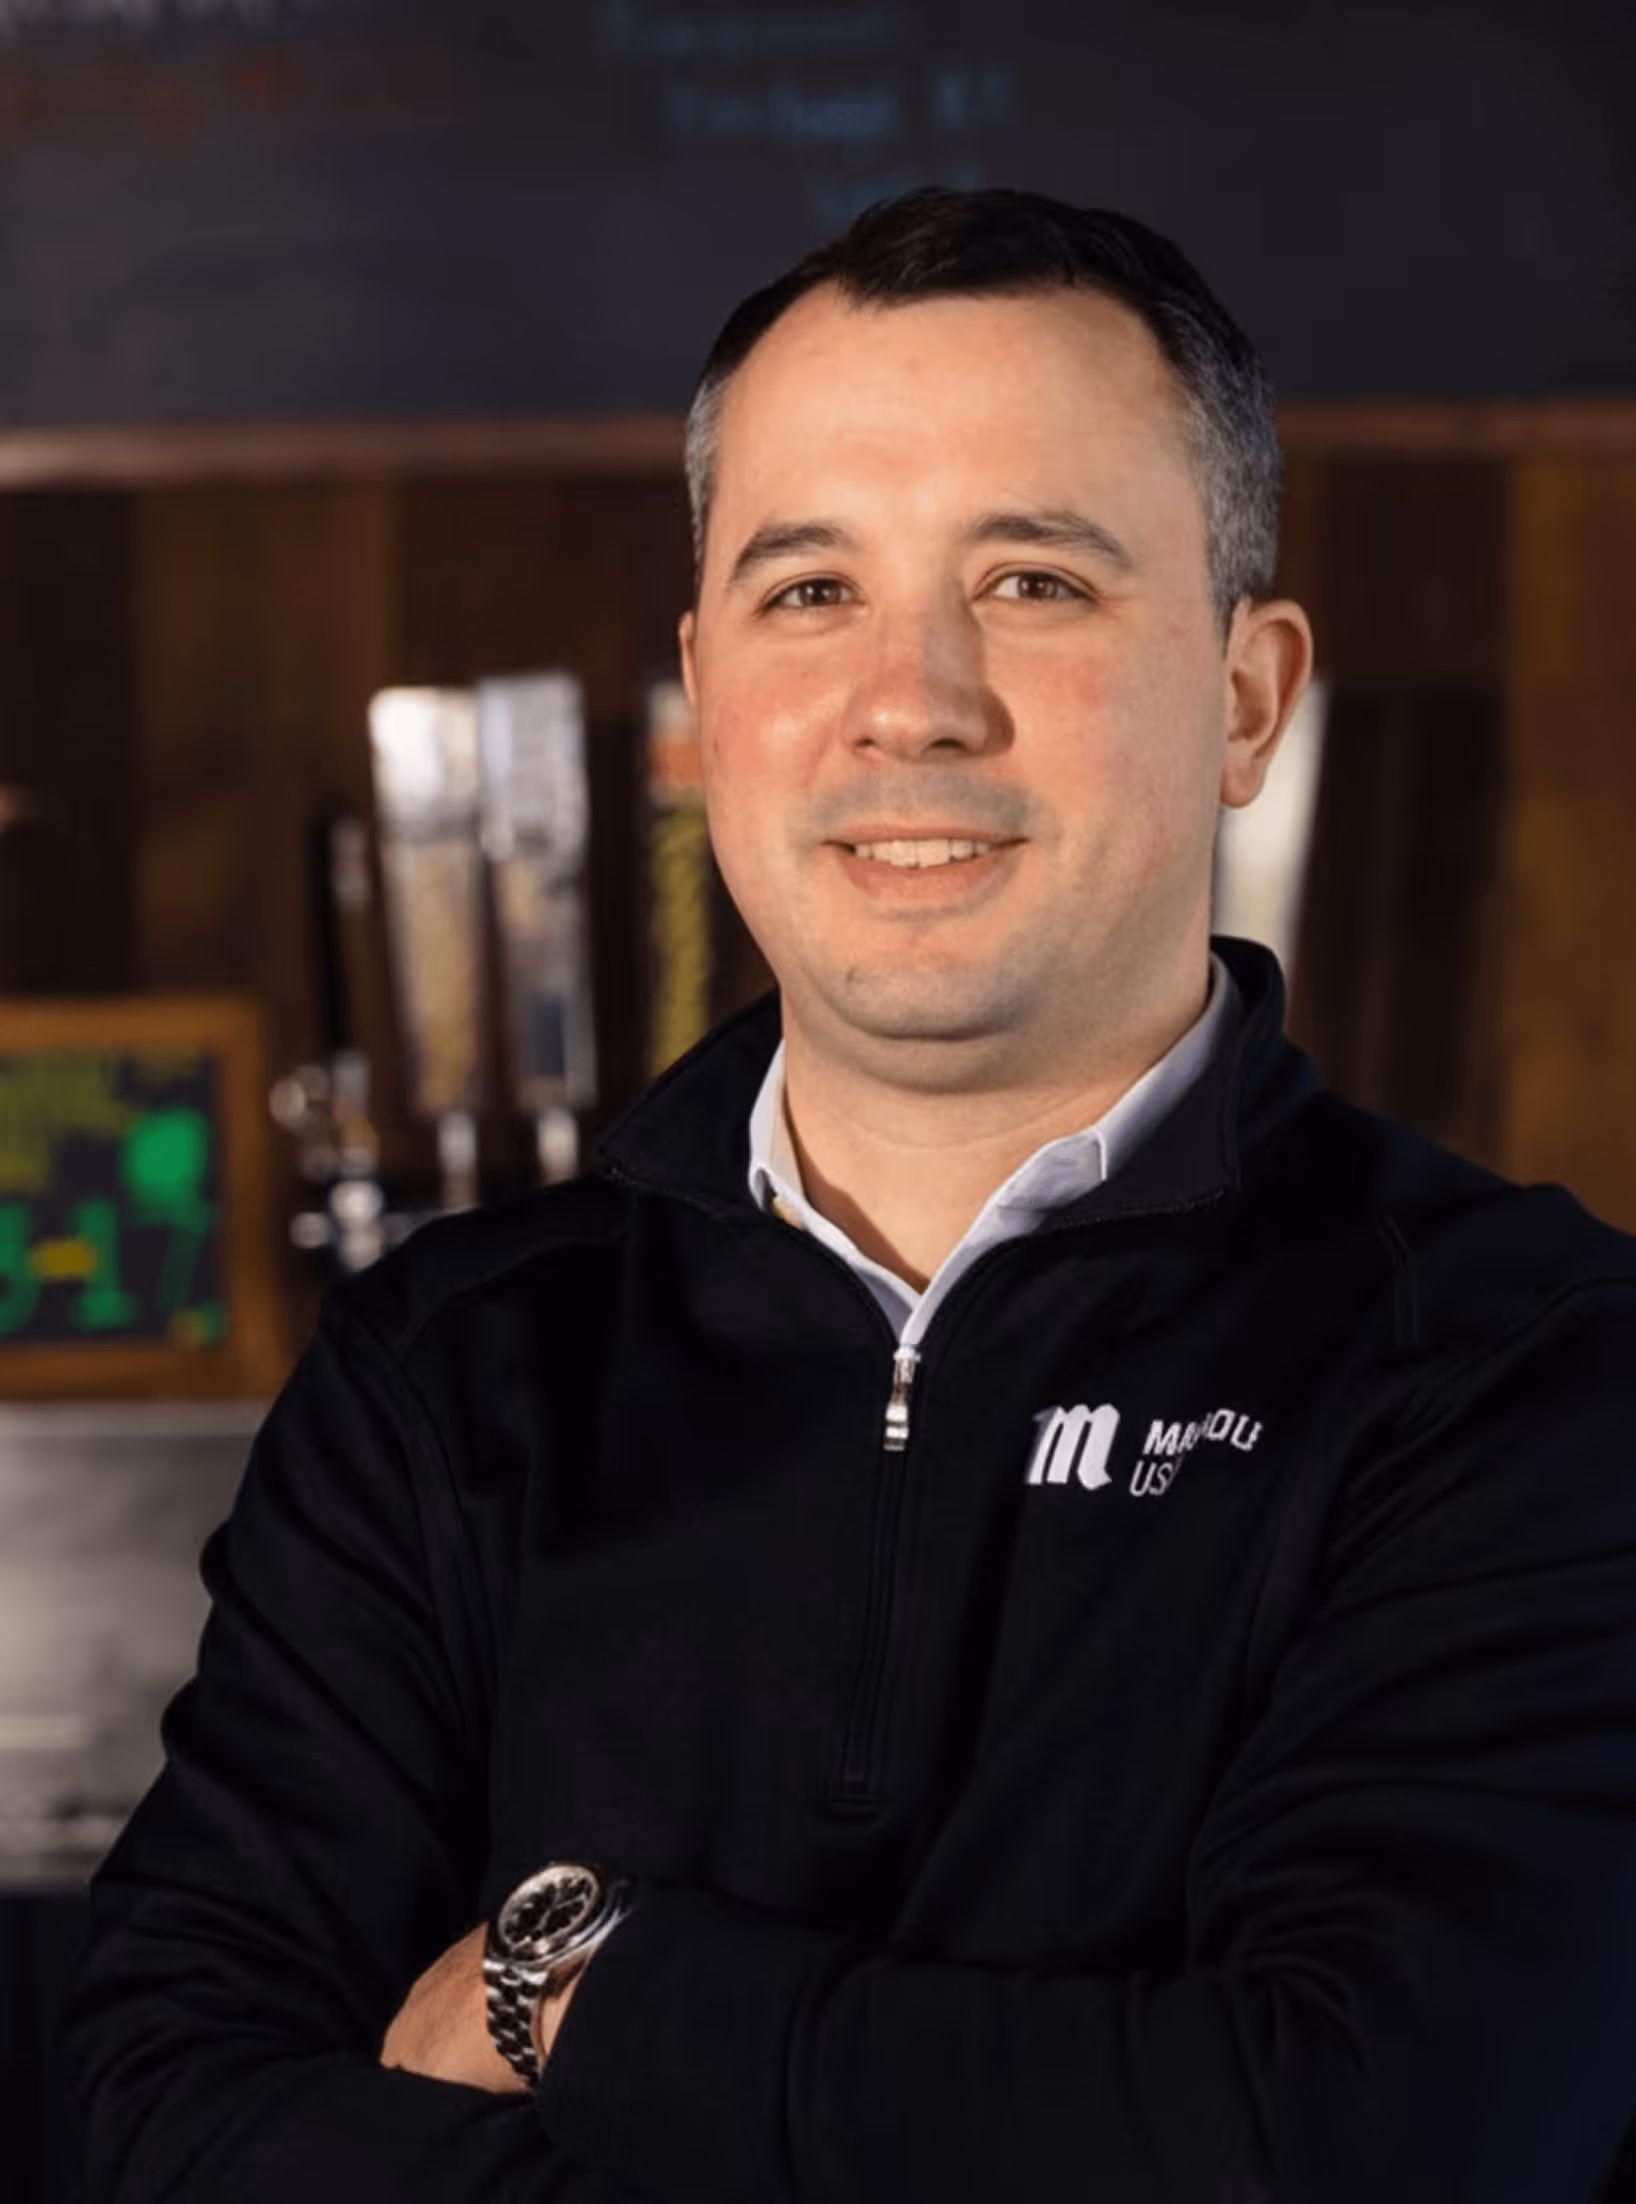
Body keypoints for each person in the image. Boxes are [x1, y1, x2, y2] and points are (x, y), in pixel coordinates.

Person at [64, 187, 1636, 2202]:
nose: (911, 697)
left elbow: (1356, 2141)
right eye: (810, 592)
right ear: (705, 686)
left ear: (1246, 696)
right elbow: (162, 2119)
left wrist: (589, 1988)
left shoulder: (1517, 1367)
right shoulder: (443, 1370)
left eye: (1034, 584)